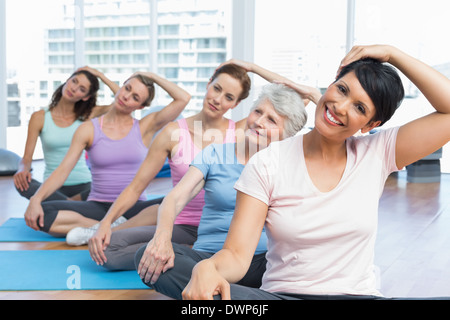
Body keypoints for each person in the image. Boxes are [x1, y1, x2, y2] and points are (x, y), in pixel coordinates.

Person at [180, 45, 450, 300]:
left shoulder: (378, 152)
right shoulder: (267, 163)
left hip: (355, 295)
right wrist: (208, 267)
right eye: (342, 89)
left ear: (371, 124)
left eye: (359, 107)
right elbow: (237, 256)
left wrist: (392, 54)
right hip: (284, 294)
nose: (340, 107)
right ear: (330, 85)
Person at [134, 82, 311, 300]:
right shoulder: (215, 153)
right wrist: (161, 236)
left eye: (271, 120)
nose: (258, 122)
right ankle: (239, 297)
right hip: (207, 260)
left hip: (263, 263)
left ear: (285, 136)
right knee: (146, 257)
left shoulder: (287, 167)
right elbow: (175, 198)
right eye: (258, 112)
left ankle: (215, 294)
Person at [84, 63, 252, 268]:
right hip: (183, 226)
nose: (218, 99)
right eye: (216, 89)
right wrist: (106, 223)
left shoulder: (241, 132)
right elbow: (136, 187)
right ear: (208, 84)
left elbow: (301, 98)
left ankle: (184, 254)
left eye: (229, 97)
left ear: (235, 104)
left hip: (224, 229)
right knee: (108, 250)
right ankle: (186, 253)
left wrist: (250, 67)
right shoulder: (172, 133)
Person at [24, 72, 191, 237]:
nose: (126, 96)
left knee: (176, 203)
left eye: (135, 97)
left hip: (133, 207)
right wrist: (36, 199)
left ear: (140, 106)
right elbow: (63, 170)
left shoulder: (145, 126)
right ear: (120, 88)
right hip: (98, 206)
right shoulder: (88, 128)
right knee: (45, 212)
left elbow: (183, 98)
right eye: (127, 88)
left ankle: (102, 230)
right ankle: (115, 229)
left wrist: (150, 76)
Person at [14, 67, 117, 202]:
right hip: (51, 188)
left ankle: (61, 206)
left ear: (85, 97)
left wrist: (99, 75)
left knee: (111, 187)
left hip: (84, 185)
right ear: (67, 80)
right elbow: (26, 159)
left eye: (82, 89)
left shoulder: (88, 115)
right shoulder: (39, 117)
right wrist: (22, 170)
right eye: (74, 81)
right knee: (23, 185)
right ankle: (71, 205)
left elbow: (122, 100)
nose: (74, 88)